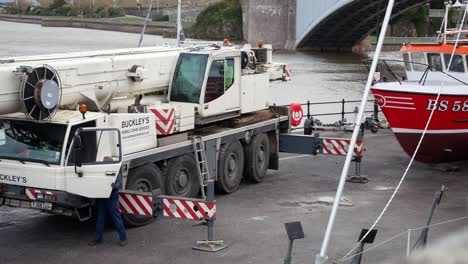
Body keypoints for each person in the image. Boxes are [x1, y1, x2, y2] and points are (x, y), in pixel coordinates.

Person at [89, 164, 127, 247]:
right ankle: (98, 239)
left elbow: (119, 184)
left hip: (111, 197)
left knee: (115, 217)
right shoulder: (102, 171)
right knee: (101, 218)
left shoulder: (115, 172)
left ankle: (123, 238)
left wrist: (115, 186)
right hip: (102, 196)